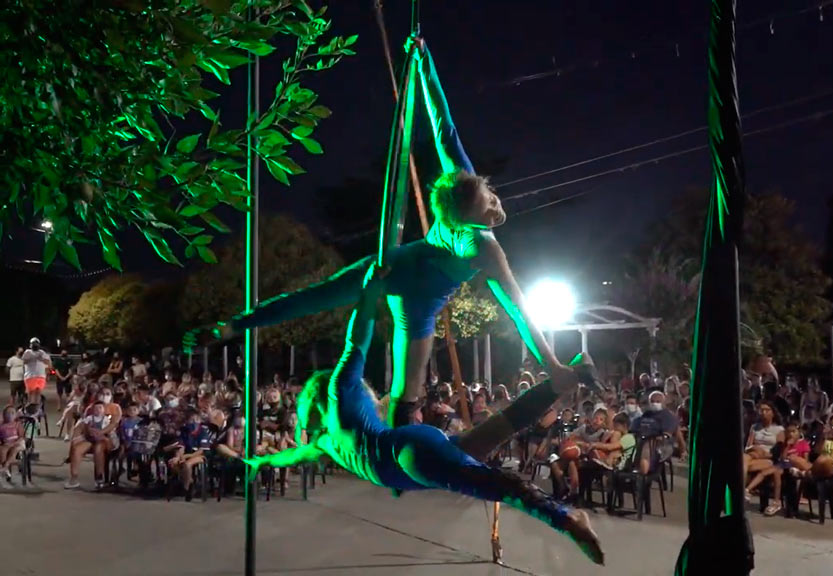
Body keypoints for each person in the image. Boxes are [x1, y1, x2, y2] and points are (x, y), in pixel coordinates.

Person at [183, 39, 597, 431]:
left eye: (490, 198)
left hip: (404, 277)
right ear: (474, 217)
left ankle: (236, 326)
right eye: (489, 205)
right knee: (347, 323)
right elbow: (519, 310)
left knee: (341, 321)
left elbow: (443, 126)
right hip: (409, 287)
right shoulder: (484, 246)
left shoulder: (460, 184)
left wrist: (423, 63)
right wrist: (551, 365)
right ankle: (237, 327)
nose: (495, 204)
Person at [245, 263, 604, 564]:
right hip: (410, 459)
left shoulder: (340, 391)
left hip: (407, 456)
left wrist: (370, 294)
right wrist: (260, 463)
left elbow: (357, 341)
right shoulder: (325, 440)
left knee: (487, 482)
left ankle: (566, 517)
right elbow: (292, 454)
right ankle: (568, 377)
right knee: (498, 430)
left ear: (313, 400)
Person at [0, 406, 26, 488]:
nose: (10, 415)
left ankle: (5, 466)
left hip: (18, 443)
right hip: (7, 444)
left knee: (14, 450)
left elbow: (21, 436)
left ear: (15, 415)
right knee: (2, 449)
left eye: (12, 413)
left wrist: (15, 443)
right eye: (8, 413)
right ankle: (6, 469)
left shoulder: (17, 424)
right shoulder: (2, 426)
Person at [21, 338, 51, 407]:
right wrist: (32, 358)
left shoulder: (42, 352)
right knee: (30, 393)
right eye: (33, 344)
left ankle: (36, 407)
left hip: (40, 376)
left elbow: (48, 362)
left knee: (38, 392)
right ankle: (29, 407)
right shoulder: (27, 352)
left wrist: (41, 358)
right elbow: (24, 361)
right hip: (30, 376)